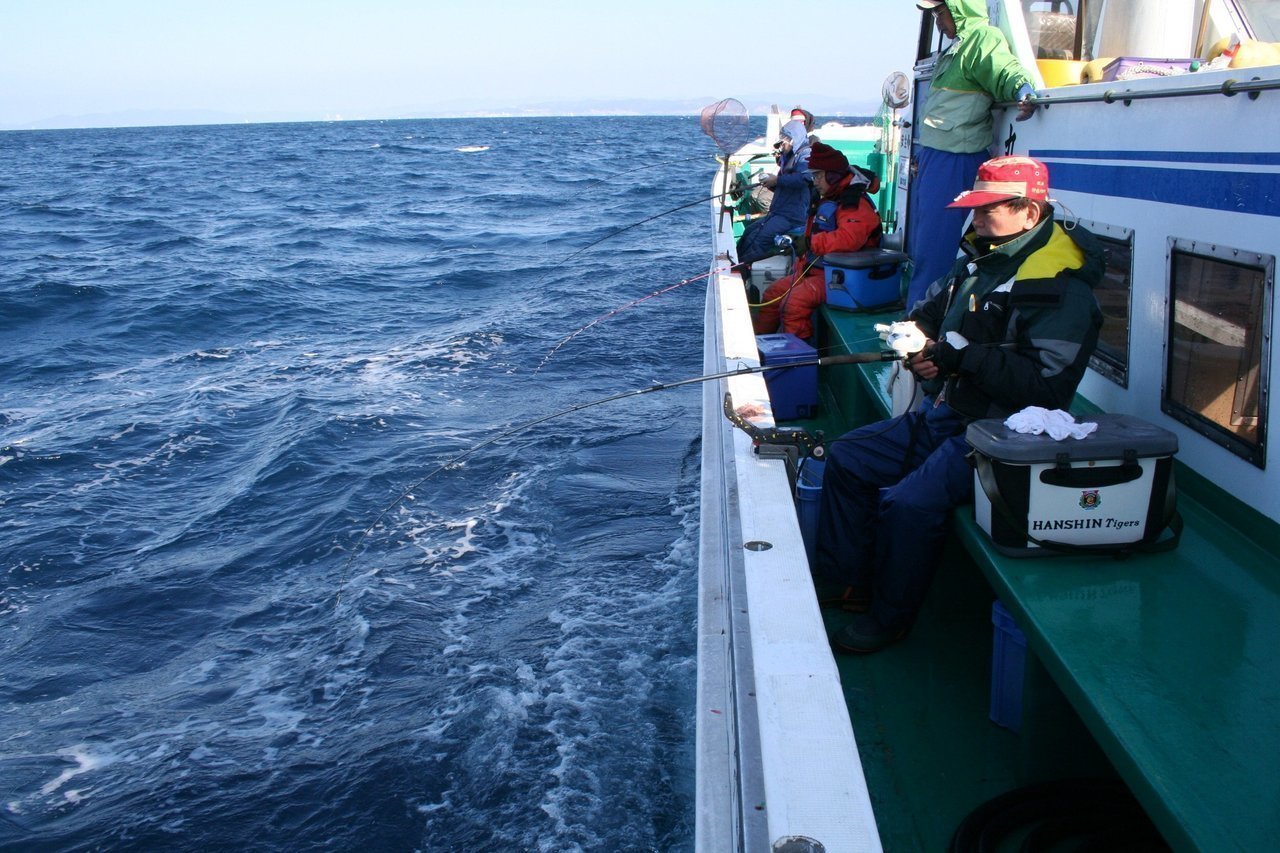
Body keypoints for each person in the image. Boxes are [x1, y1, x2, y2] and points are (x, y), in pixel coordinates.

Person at [813, 156, 1104, 654]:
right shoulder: (981, 258)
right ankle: (849, 582)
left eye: (988, 209)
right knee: (849, 455)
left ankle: (890, 618)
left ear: (1028, 213)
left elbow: (1044, 388)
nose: (976, 219)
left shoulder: (1061, 288)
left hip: (1000, 436)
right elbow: (929, 312)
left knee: (908, 503)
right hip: (950, 413)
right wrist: (926, 350)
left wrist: (956, 356)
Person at [905, 0, 1038, 309]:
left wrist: (1023, 91)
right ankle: (920, 314)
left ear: (960, 8)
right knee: (927, 245)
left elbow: (1006, 69)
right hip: (936, 158)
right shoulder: (954, 51)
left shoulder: (982, 39)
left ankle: (924, 322)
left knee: (938, 247)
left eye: (941, 11)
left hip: (956, 159)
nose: (938, 20)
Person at [752, 142, 883, 341]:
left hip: (844, 278)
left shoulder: (854, 203)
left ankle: (796, 360)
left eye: (818, 175)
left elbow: (849, 239)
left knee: (794, 302)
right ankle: (759, 345)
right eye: (813, 176)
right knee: (773, 293)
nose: (815, 181)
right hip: (816, 271)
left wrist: (810, 243)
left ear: (833, 175)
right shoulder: (829, 197)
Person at [735, 119, 813, 268]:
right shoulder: (789, 156)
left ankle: (745, 269)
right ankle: (736, 264)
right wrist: (772, 183)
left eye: (786, 140)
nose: (782, 144)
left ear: (794, 140)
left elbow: (805, 178)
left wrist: (777, 180)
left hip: (792, 216)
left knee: (760, 239)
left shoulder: (805, 155)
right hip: (779, 211)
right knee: (749, 232)